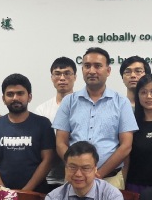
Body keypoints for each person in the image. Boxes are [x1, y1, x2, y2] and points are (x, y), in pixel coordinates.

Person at [53, 47, 137, 189]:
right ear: (82, 70)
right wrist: (78, 170)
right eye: (87, 66)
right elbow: (60, 143)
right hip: (75, 179)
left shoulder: (121, 102)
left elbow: (126, 146)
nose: (92, 71)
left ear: (108, 71)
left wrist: (97, 174)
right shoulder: (69, 101)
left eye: (97, 66)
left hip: (110, 180)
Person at [0, 74, 55, 192]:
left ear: (29, 97)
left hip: (36, 194)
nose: (15, 98)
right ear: (3, 99)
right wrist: (5, 191)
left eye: (20, 93)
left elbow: (48, 160)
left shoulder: (43, 124)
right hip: (0, 194)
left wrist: (26, 191)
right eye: (10, 94)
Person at [34, 57, 77, 190]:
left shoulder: (84, 106)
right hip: (49, 176)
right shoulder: (42, 110)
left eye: (67, 73)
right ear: (52, 78)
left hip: (77, 173)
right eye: (57, 74)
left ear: (75, 77)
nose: (62, 78)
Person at [125, 73, 152, 194]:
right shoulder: (130, 123)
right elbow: (126, 160)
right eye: (143, 92)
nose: (149, 96)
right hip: (135, 187)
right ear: (137, 96)